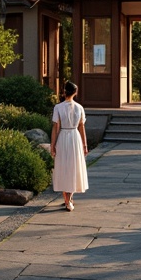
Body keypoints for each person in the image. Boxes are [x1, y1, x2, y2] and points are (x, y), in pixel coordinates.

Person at [50, 80, 89, 211]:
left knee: (63, 166)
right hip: (75, 137)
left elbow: (56, 128)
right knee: (74, 167)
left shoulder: (58, 107)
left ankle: (67, 200)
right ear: (75, 92)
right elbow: (82, 127)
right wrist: (85, 145)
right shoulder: (80, 107)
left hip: (63, 137)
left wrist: (52, 145)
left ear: (64, 91)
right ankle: (69, 199)